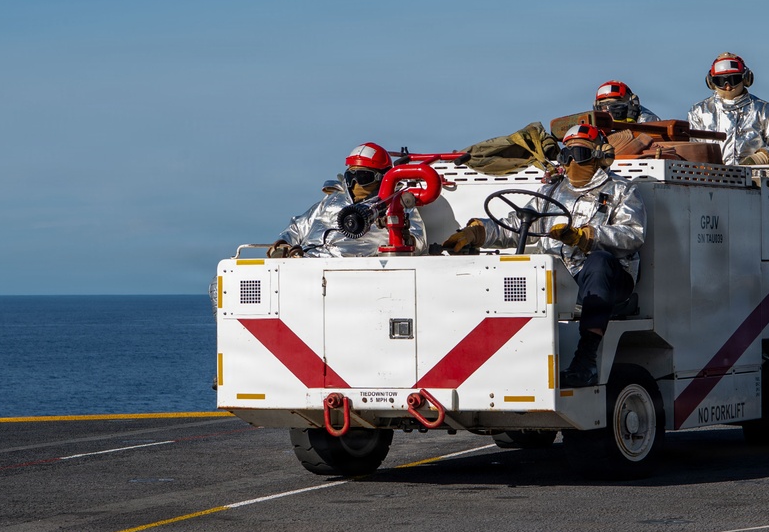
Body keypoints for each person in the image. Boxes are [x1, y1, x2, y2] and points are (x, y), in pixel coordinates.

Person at [442, 124, 646, 388]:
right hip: (560, 276)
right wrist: (475, 233)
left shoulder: (622, 190)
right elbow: (517, 226)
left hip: (610, 278)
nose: (572, 161)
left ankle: (586, 360)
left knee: (599, 262)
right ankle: (511, 360)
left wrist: (586, 237)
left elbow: (634, 234)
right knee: (518, 269)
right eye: (566, 155)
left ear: (600, 156)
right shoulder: (551, 192)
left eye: (580, 153)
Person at [267, 142, 426, 258]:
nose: (355, 183)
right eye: (351, 176)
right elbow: (298, 226)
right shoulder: (333, 200)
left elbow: (419, 240)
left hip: (350, 268)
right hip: (306, 261)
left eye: (364, 177)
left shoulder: (397, 205)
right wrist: (283, 243)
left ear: (382, 177)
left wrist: (405, 237)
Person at [688, 52, 769, 165]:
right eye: (720, 81)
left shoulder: (761, 109)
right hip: (710, 178)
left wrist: (762, 157)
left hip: (753, 178)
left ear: (746, 79)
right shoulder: (699, 111)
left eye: (733, 79)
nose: (728, 86)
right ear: (711, 82)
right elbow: (690, 147)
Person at [594, 81, 660, 123]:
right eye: (604, 107)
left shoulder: (647, 119)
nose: (609, 111)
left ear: (632, 105)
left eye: (616, 106)